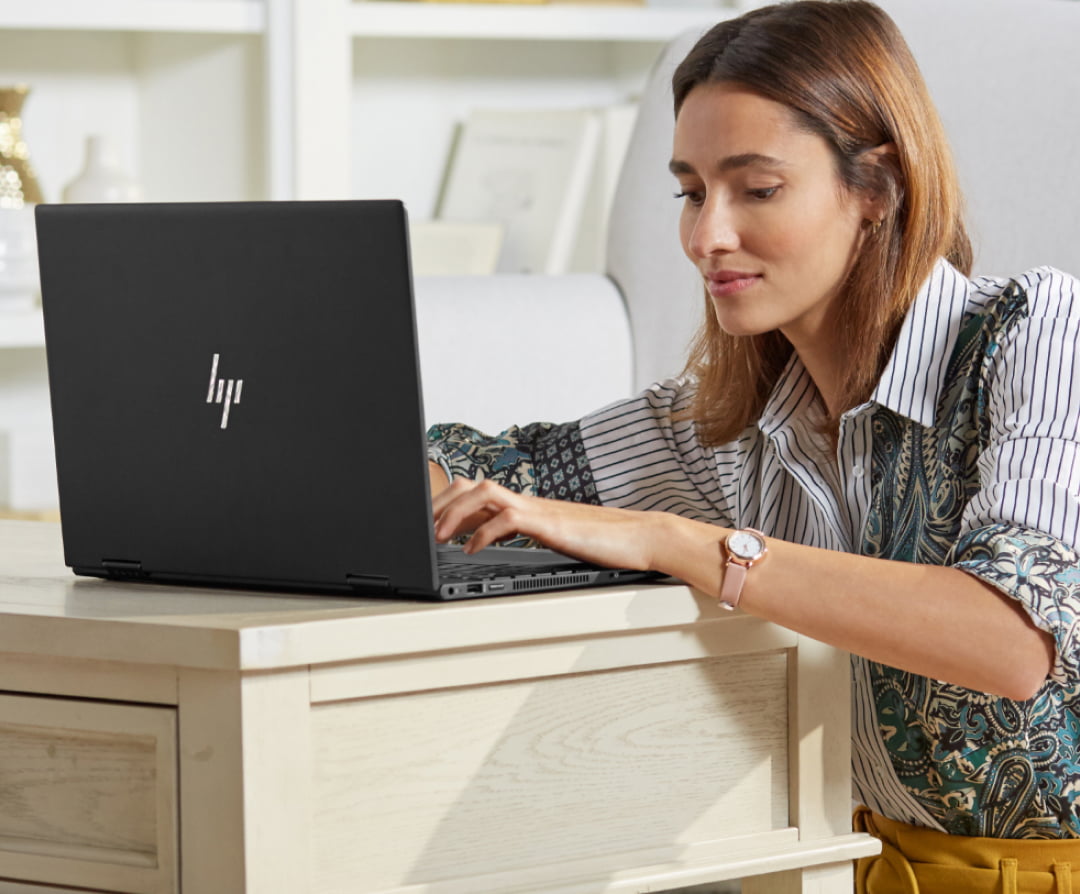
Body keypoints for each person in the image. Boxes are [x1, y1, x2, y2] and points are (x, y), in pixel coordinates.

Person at [427, 1, 1080, 889]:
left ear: (877, 187)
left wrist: (679, 542)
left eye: (756, 188)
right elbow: (469, 471)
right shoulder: (725, 421)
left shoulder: (1034, 332)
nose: (706, 237)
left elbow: (1009, 641)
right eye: (691, 191)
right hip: (825, 866)